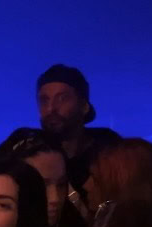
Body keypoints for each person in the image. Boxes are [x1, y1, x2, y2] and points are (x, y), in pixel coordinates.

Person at [36, 64, 121, 196]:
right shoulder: (26, 149)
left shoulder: (108, 147)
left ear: (84, 106)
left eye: (62, 99)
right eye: (44, 101)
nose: (50, 108)